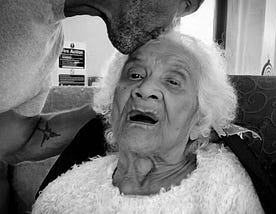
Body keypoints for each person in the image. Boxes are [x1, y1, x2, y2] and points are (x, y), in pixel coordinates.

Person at [0, 0, 204, 212]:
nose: (173, 23)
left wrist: (119, 106)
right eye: (187, 3)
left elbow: (17, 142)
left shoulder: (48, 43)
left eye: (172, 81)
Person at [32, 31, 264, 214]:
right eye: (134, 75)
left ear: (198, 121)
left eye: (173, 81)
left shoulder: (223, 188)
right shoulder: (63, 194)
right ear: (112, 107)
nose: (144, 89)